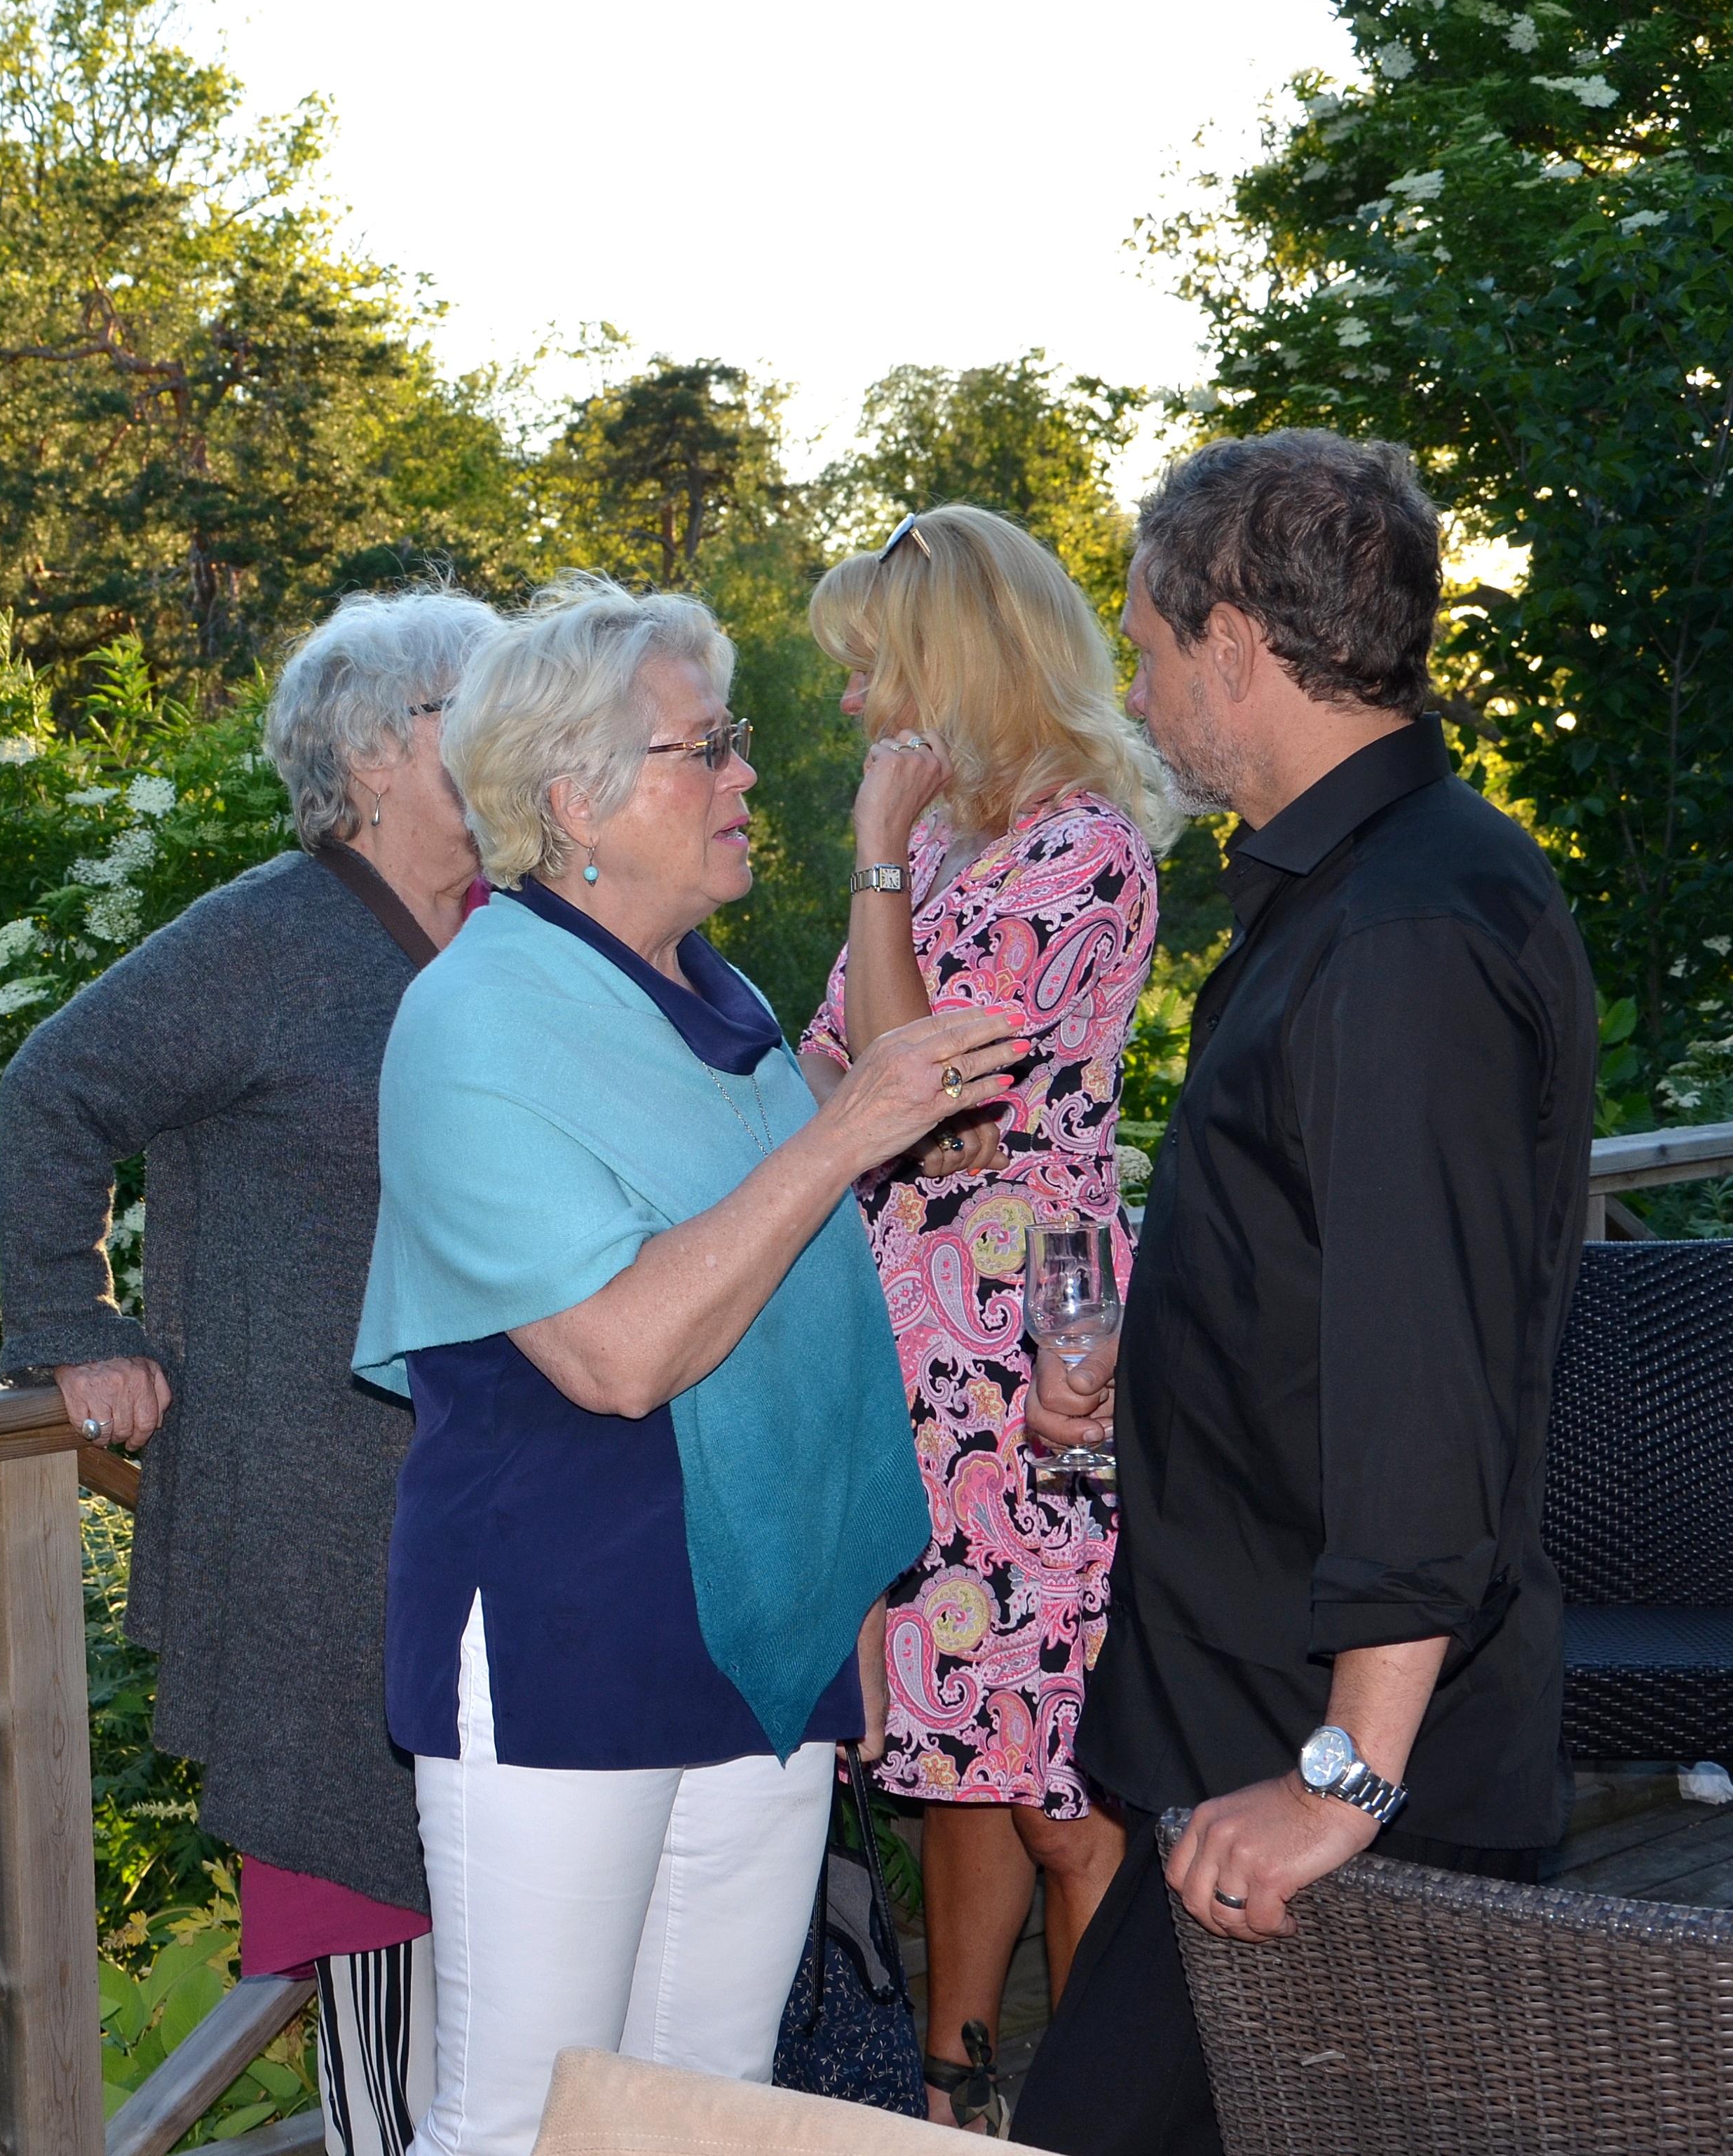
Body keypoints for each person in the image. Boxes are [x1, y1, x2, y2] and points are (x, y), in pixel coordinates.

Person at [353, 574, 1028, 2156]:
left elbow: (804, 1330)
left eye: (732, 739)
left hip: (755, 1628)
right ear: (574, 799)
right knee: (523, 2121)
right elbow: (620, 1353)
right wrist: (850, 1130)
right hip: (564, 1619)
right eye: (704, 748)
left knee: (703, 2109)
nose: (745, 774)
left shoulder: (709, 1000)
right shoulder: (474, 1019)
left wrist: (843, 1591)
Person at [1007, 431, 1594, 2155]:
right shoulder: (1362, 887)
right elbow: (1333, 1280)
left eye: (1144, 648)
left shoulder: (1400, 934)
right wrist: (1153, 1367)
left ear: (1233, 646)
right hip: (1260, 1742)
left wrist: (1343, 1776)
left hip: (1331, 1781)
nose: (1135, 692)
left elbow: (1422, 1379)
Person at [0, 583, 501, 2156]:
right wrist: (74, 1322)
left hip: (494, 1503)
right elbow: (55, 1085)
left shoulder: (518, 931)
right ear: (374, 752)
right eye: (475, 708)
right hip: (314, 1507)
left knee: (517, 1938)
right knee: (377, 1925)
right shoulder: (269, 936)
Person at [796, 506, 1171, 2131]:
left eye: (869, 667)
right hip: (916, 1340)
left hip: (1036, 1351)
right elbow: (829, 1064)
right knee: (961, 1736)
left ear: (953, 665)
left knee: (1057, 1783)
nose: (851, 705)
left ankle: (1091, 2118)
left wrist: (875, 861)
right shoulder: (958, 849)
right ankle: (951, 2098)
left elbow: (917, 1101)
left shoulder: (1081, 850)